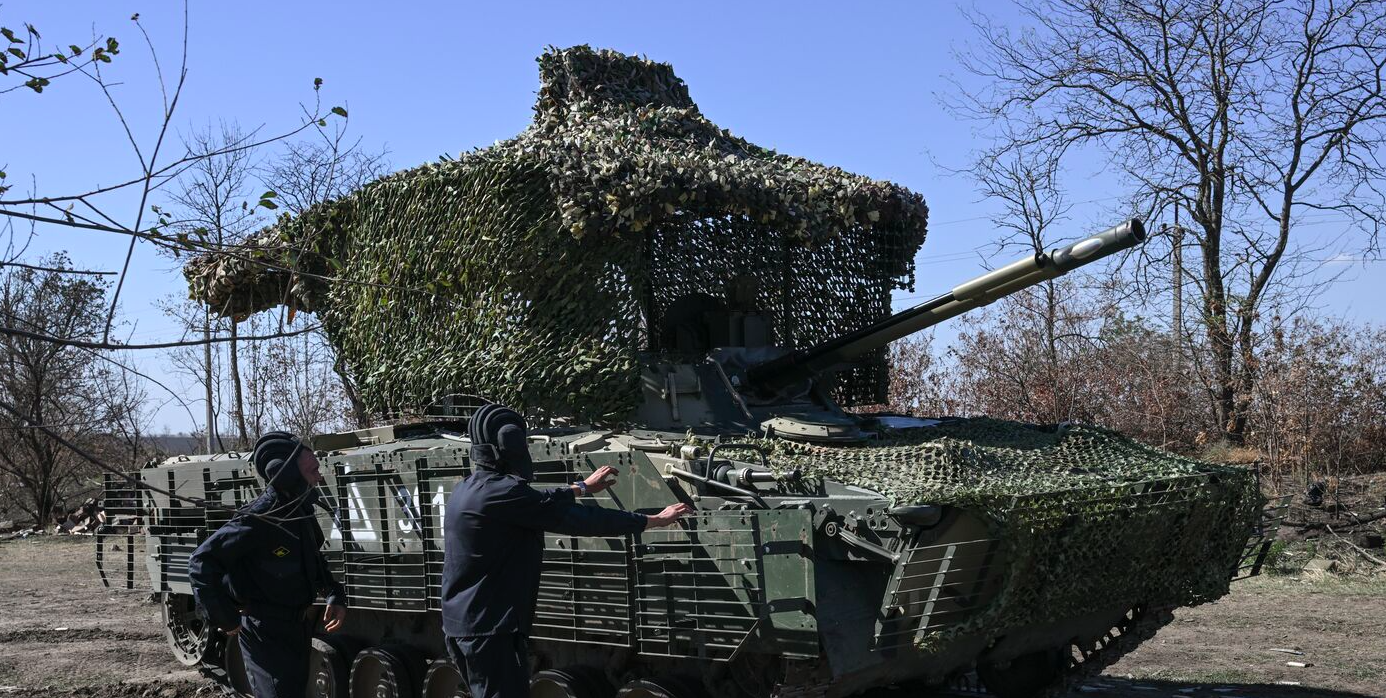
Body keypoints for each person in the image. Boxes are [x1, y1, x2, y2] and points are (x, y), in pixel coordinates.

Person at [442, 404, 691, 698]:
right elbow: (581, 520)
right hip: (490, 630)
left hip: (465, 624)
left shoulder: (469, 488)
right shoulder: (503, 494)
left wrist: (581, 488)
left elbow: (536, 500)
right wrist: (651, 521)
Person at [188, 432, 348, 698]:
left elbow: (314, 559)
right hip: (265, 634)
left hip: (296, 629)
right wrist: (225, 617)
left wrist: (334, 593)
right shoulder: (258, 518)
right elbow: (201, 562)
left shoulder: (300, 511)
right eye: (313, 470)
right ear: (286, 474)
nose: (319, 477)